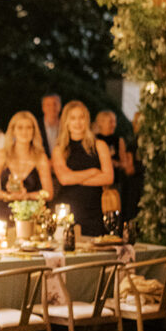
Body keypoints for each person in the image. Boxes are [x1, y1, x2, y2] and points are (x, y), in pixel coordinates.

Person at [52, 101, 114, 238]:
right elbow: (64, 179)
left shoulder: (99, 145)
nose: (77, 122)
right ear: (66, 122)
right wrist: (93, 172)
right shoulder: (60, 149)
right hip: (68, 210)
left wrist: (74, 177)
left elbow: (108, 177)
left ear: (87, 120)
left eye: (81, 117)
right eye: (73, 118)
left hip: (94, 210)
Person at [0, 110, 53, 218]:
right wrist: (8, 196)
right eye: (20, 127)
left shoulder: (41, 157)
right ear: (13, 131)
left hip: (32, 215)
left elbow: (49, 193)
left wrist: (27, 196)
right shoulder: (2, 155)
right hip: (5, 214)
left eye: (29, 128)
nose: (24, 132)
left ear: (34, 131)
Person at [93, 110, 127, 188]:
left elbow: (124, 164)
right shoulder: (93, 139)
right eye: (110, 122)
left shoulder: (118, 140)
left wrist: (114, 163)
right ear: (101, 123)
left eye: (114, 122)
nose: (113, 125)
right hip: (97, 182)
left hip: (113, 183)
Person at [36, 93, 62, 159]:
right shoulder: (35, 126)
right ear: (43, 107)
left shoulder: (67, 126)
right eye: (48, 105)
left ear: (60, 106)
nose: (52, 107)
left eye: (55, 104)